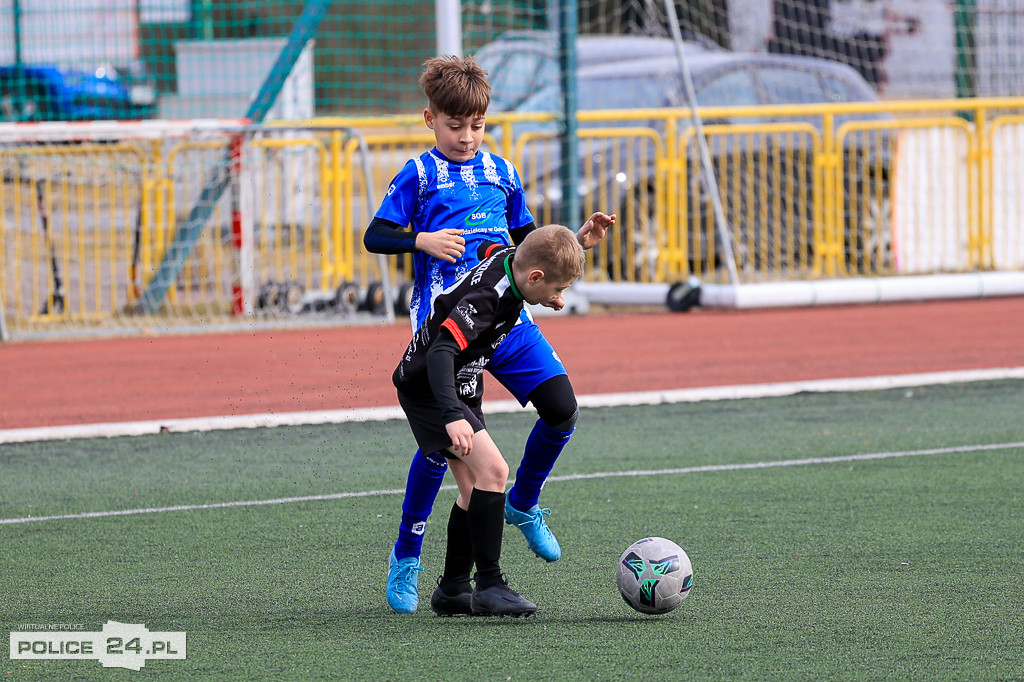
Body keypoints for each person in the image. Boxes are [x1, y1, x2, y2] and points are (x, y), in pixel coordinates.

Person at [364, 54, 615, 614]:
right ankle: (407, 555)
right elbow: (374, 236)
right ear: (429, 118)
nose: (467, 136)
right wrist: (420, 240)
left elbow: (529, 244)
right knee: (447, 450)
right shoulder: (419, 174)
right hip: (449, 325)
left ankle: (523, 503)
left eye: (476, 125)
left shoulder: (503, 172)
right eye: (455, 126)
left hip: (506, 312)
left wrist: (574, 240)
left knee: (561, 407)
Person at [393, 225, 586, 617]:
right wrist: (451, 417)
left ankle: (451, 588)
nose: (558, 299)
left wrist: (576, 243)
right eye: (555, 290)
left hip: (459, 383)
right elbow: (441, 351)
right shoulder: (489, 298)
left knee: (474, 492)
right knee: (495, 472)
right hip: (431, 388)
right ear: (534, 278)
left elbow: (494, 246)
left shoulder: (510, 259)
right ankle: (491, 585)